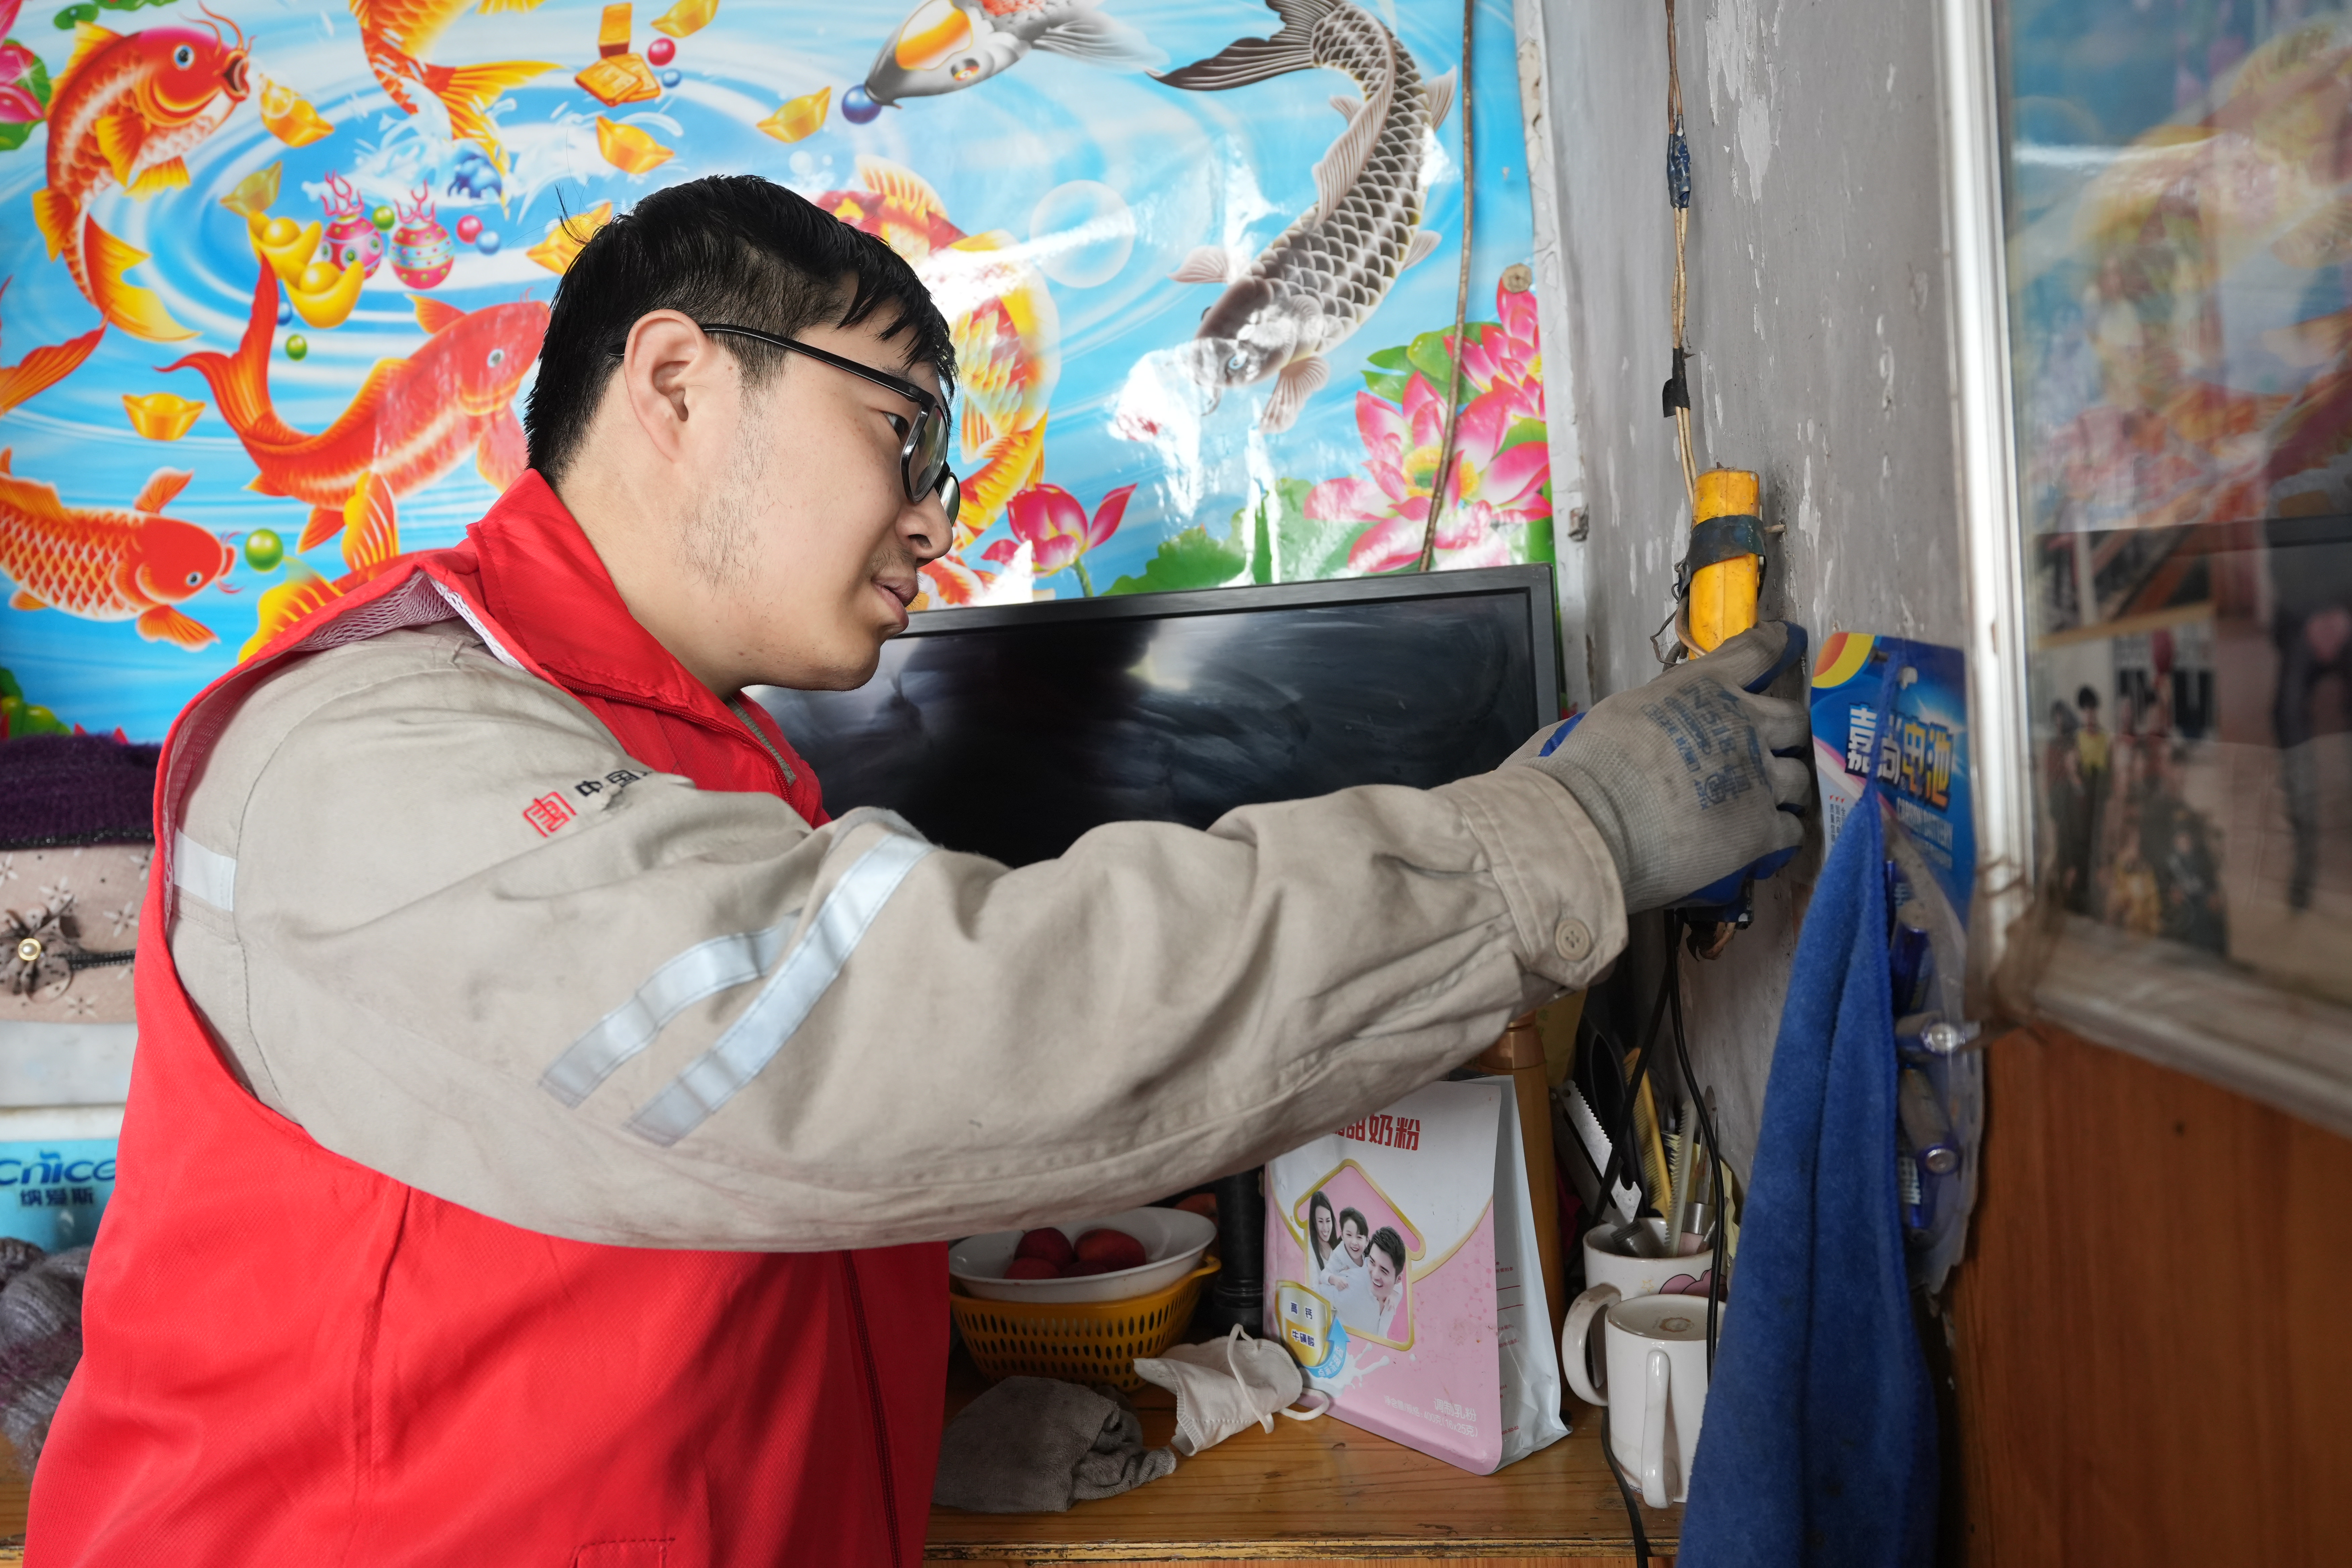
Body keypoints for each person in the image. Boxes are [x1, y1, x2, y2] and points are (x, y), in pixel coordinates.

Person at [30, 176, 1812, 1564]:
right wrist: (1555, 844)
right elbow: (872, 1050)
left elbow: (683, 1224)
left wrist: (902, 1417)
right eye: (905, 430)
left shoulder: (696, 762)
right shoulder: (370, 753)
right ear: (677, 382)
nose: (937, 512)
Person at [1307, 1188, 1341, 1278]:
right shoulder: (1308, 1249)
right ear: (1314, 1222)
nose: (1325, 1228)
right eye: (1321, 1222)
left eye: (1328, 1221)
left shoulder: (1338, 1249)